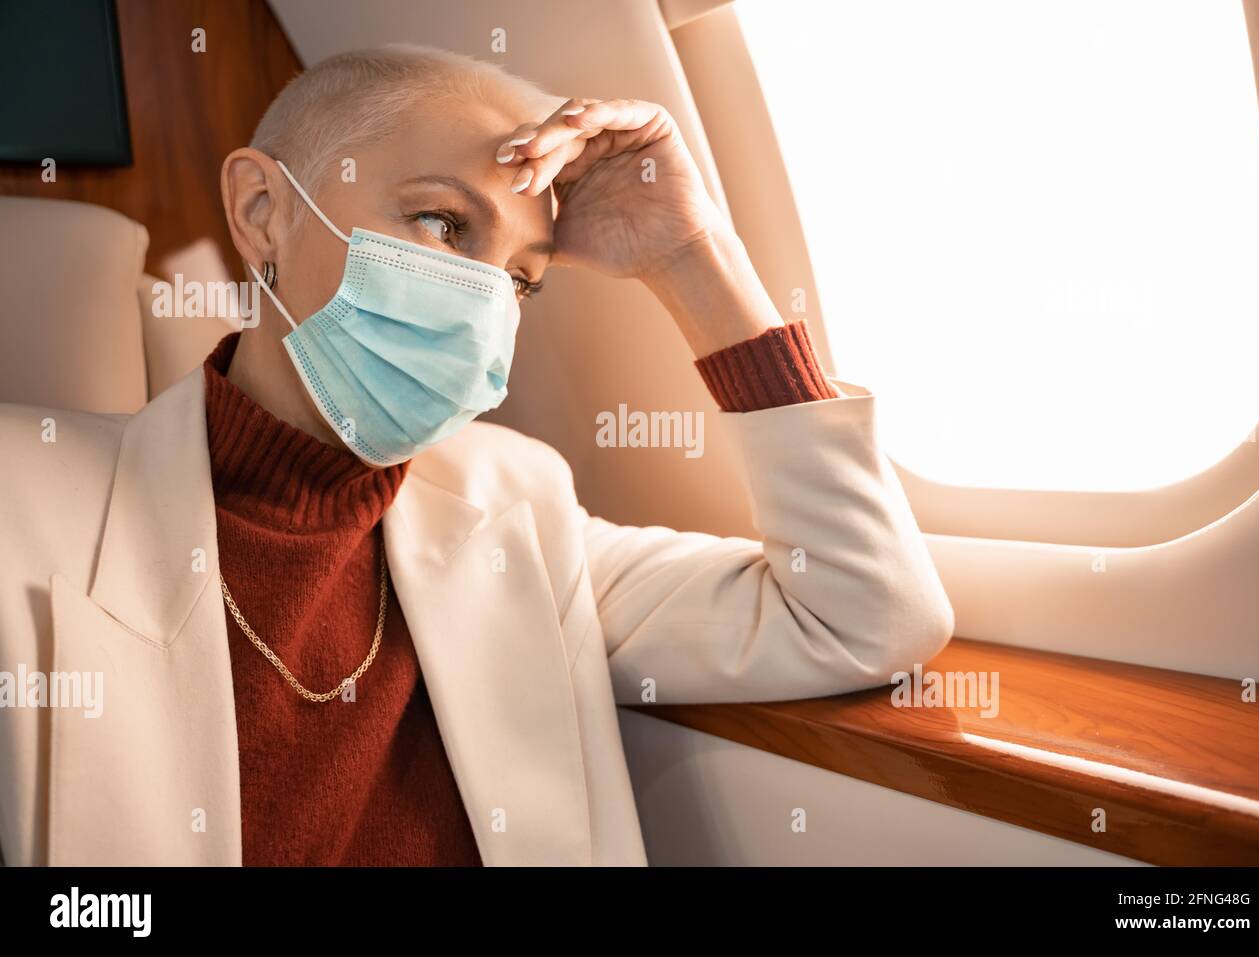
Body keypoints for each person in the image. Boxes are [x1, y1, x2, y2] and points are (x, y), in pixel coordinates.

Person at [0, 45, 953, 866]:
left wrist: (694, 256)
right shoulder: (22, 504)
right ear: (262, 212)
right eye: (444, 224)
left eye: (523, 280)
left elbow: (865, 614)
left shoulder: (517, 504)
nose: (481, 303)